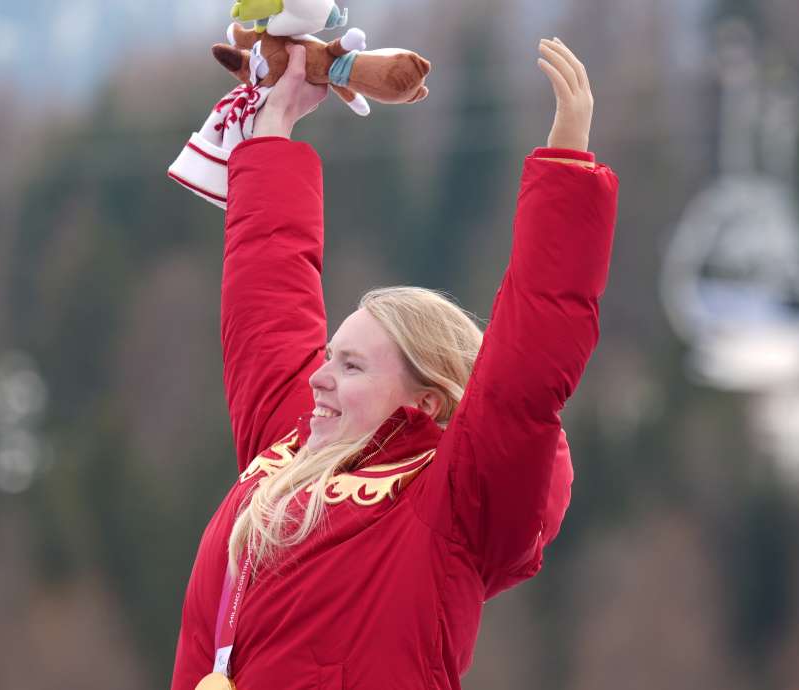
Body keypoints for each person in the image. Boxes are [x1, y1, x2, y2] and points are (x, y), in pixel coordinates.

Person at [171, 37, 618, 690]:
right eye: (329, 358)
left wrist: (566, 165)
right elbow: (268, 287)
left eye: (352, 367)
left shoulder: (450, 503)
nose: (319, 378)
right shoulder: (289, 443)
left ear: (428, 402)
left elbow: (526, 370)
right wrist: (273, 126)